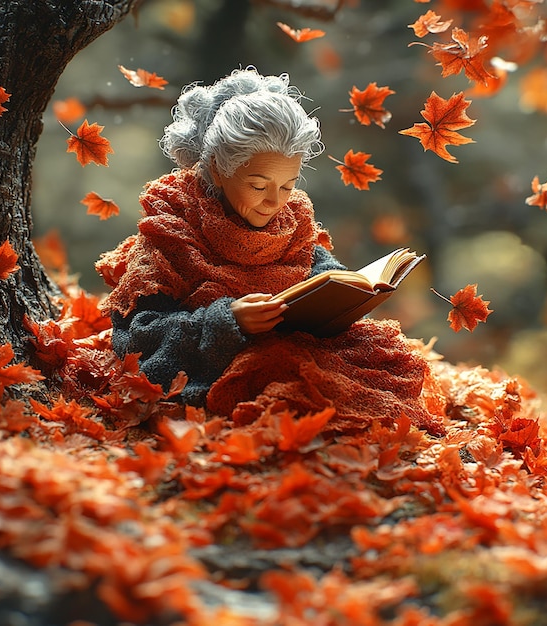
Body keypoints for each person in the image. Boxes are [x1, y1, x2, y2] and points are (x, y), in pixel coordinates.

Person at [96, 67, 442, 435]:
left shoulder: (293, 220)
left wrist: (353, 294)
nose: (274, 202)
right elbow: (136, 336)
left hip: (297, 345)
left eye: (288, 185)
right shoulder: (171, 227)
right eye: (258, 185)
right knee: (279, 372)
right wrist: (226, 320)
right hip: (217, 361)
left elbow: (322, 275)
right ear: (217, 168)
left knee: (379, 357)